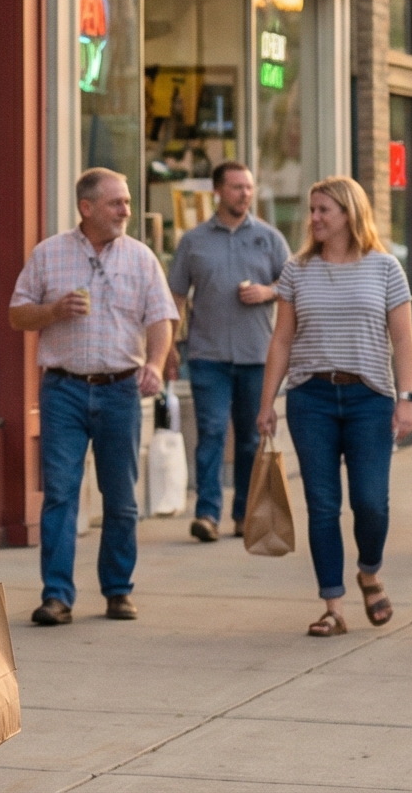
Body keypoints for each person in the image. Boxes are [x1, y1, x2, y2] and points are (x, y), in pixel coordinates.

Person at [11, 169, 179, 623]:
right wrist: (53, 310)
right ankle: (57, 597)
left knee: (121, 497)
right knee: (61, 495)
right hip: (63, 388)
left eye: (126, 202)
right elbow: (17, 314)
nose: (127, 210)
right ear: (86, 208)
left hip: (120, 389)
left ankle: (118, 589)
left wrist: (155, 365)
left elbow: (161, 318)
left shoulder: (142, 259)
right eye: (117, 203)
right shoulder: (49, 254)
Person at [257, 177, 412, 639]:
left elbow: (404, 340)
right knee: (322, 505)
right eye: (312, 210)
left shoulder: (385, 268)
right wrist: (268, 402)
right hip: (311, 397)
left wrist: (405, 400)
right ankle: (333, 605)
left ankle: (369, 571)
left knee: (371, 502)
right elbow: (281, 339)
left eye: (323, 209)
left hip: (370, 397)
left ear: (349, 212)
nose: (314, 219)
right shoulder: (297, 270)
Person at [165, 162, 289, 543]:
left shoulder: (269, 238)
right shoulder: (193, 240)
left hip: (257, 355)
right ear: (218, 191)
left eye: (249, 187)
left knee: (251, 438)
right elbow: (176, 297)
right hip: (208, 355)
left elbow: (296, 284)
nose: (245, 194)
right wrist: (168, 347)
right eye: (237, 187)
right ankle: (207, 514)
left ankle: (243, 515)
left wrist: (268, 292)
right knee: (213, 432)